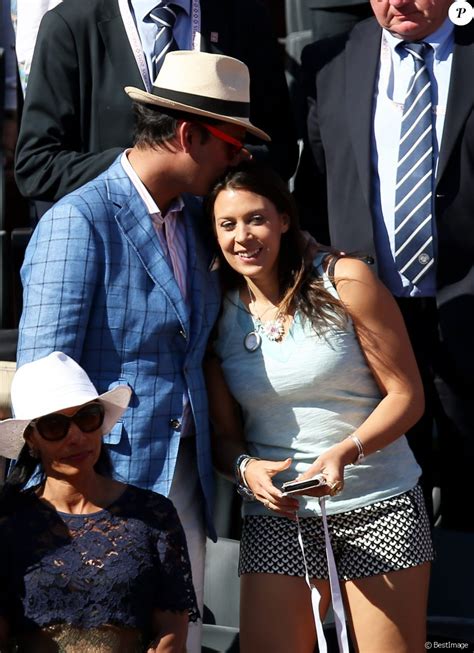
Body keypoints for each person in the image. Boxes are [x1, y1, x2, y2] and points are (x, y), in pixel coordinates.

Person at [16, 50, 270, 653]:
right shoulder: (77, 220)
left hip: (183, 480)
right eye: (232, 146)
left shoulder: (197, 218)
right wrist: (75, 505)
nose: (240, 161)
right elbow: (44, 379)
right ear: (188, 134)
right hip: (100, 486)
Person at [204, 163, 433, 653]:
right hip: (278, 516)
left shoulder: (345, 279)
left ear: (285, 219)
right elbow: (225, 440)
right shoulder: (218, 312)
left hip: (379, 504)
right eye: (228, 224)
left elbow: (408, 395)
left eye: (256, 219)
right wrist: (246, 471)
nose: (243, 236)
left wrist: (347, 451)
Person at [296, 0, 474, 531]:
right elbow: (315, 188)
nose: (396, 2)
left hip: (465, 310)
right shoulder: (329, 61)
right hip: (368, 316)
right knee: (388, 501)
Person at [0, 351, 198, 652]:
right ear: (31, 440)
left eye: (87, 418)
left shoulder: (153, 515)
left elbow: (172, 630)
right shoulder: (8, 524)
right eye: (55, 426)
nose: (76, 437)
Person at [14, 0, 297, 205]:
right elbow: (37, 166)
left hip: (218, 255)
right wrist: (141, 168)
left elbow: (280, 149)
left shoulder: (243, 18)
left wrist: (225, 161)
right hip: (115, 253)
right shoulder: (71, 24)